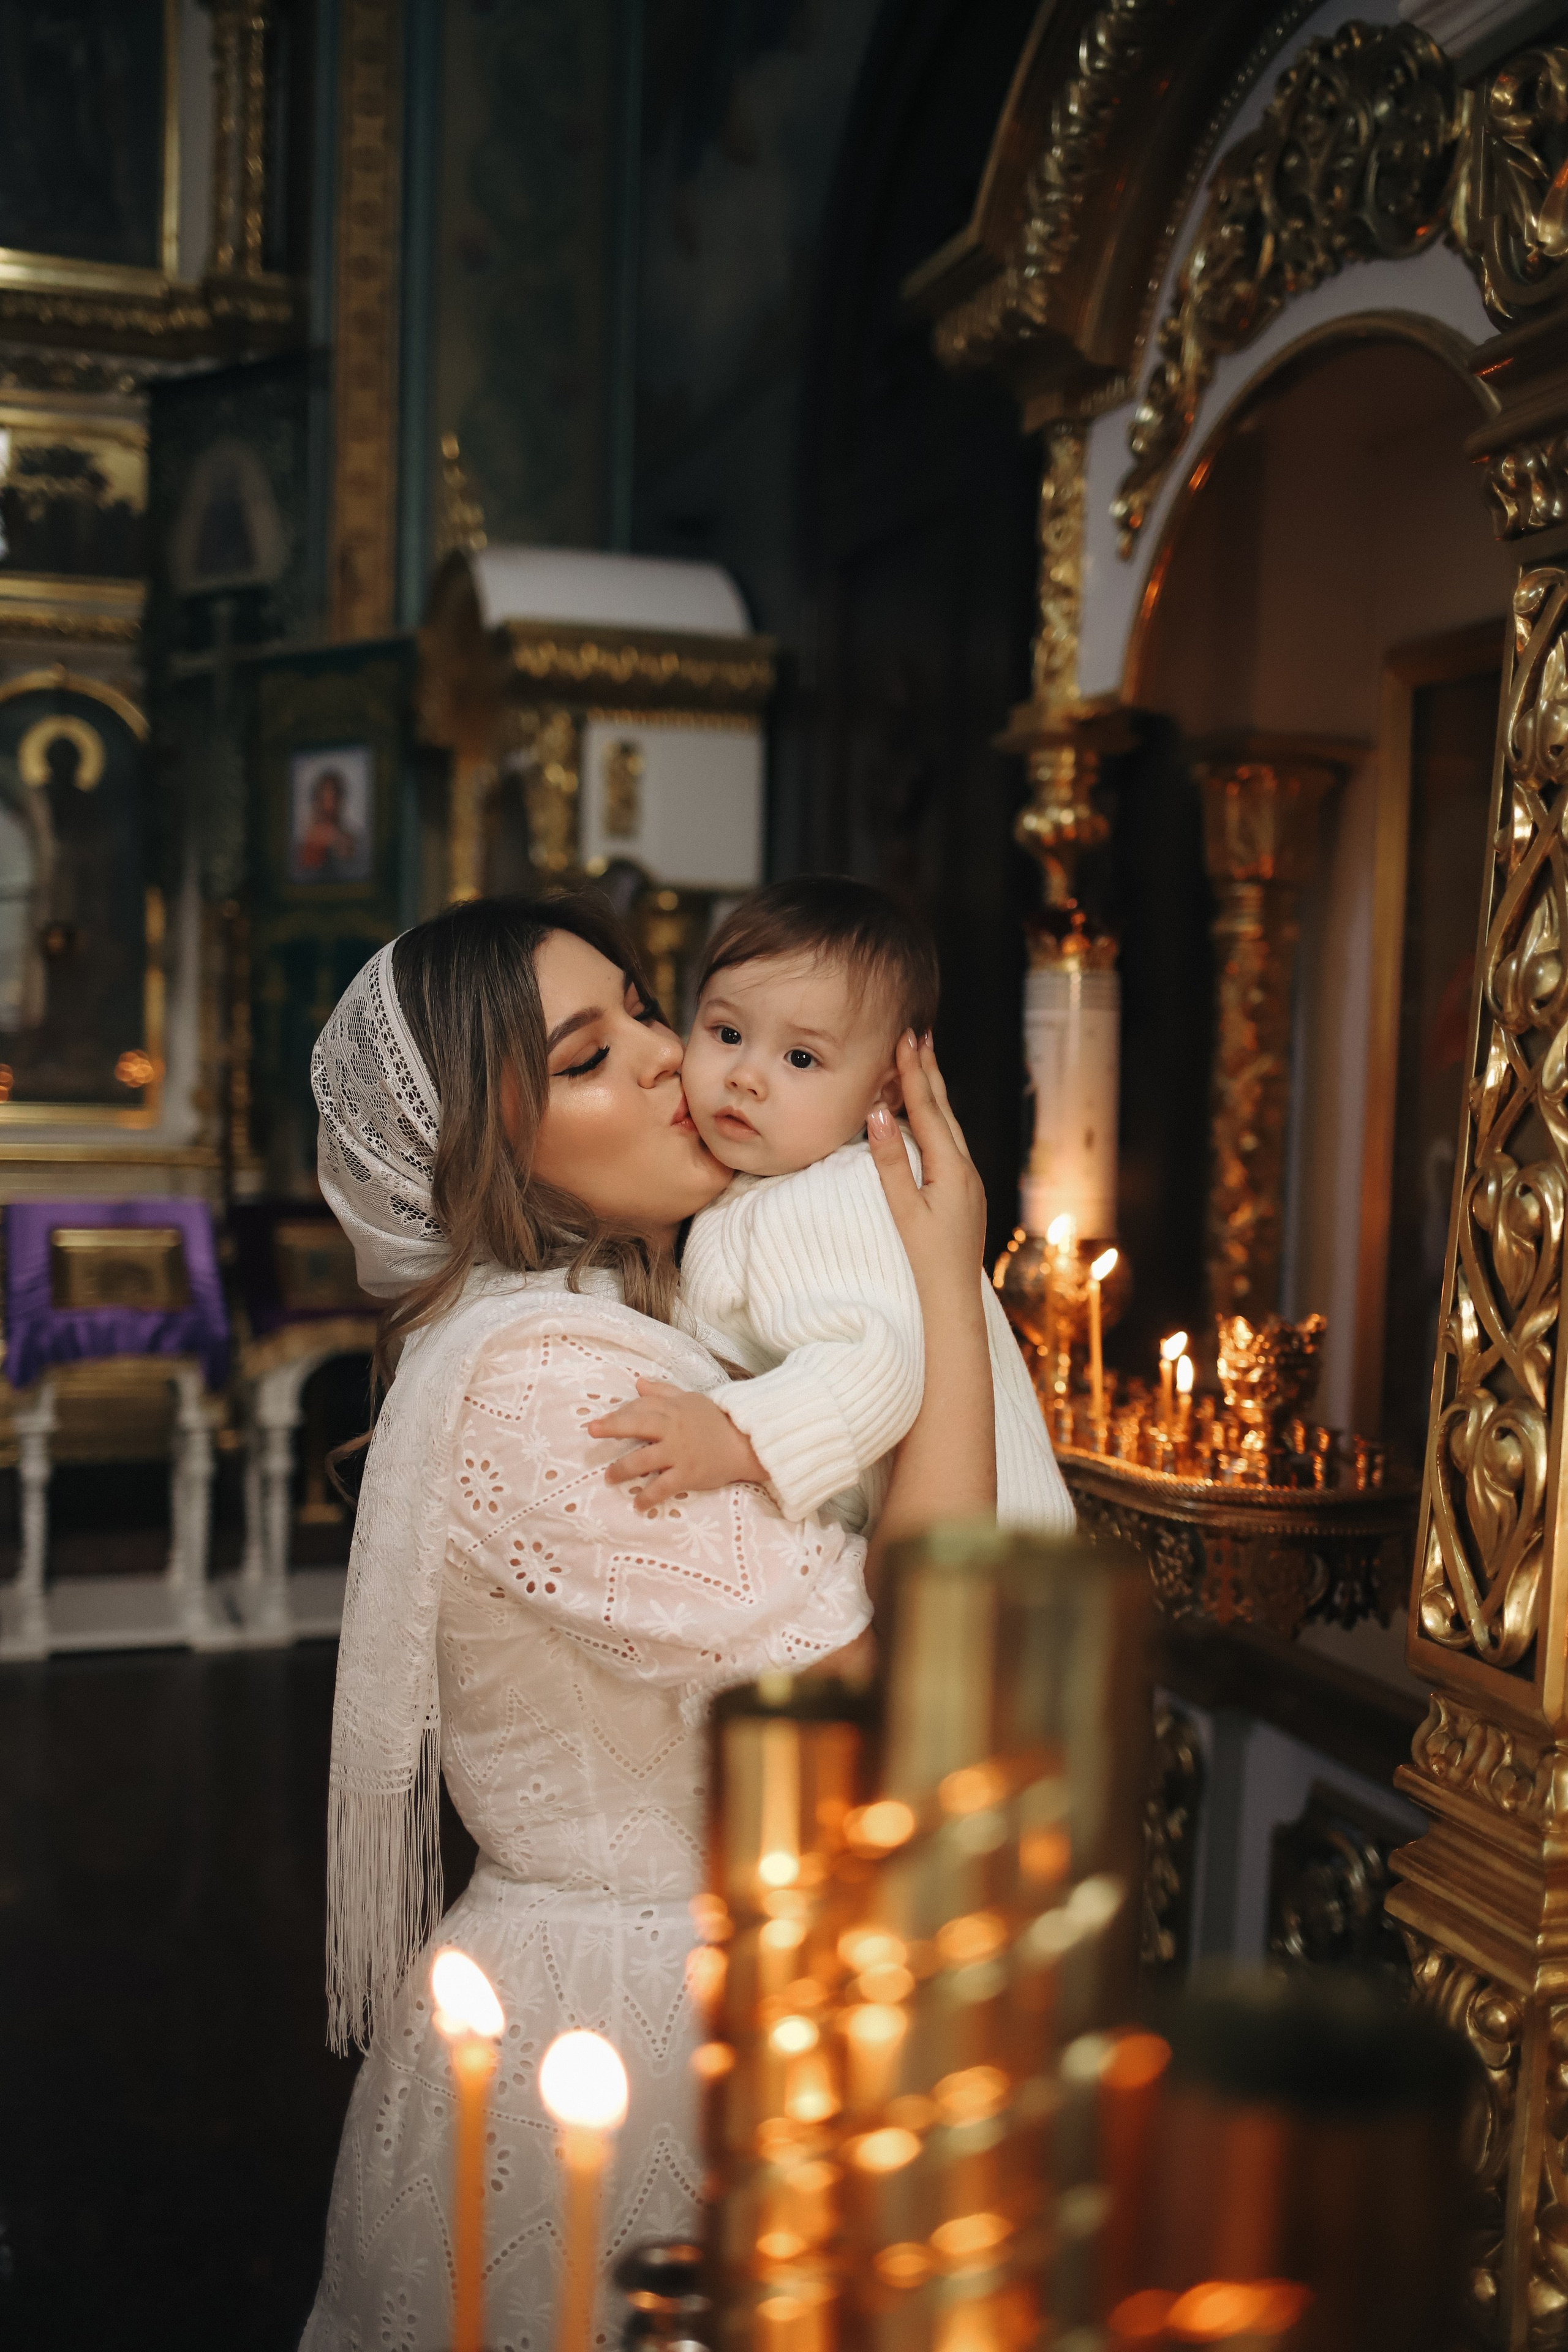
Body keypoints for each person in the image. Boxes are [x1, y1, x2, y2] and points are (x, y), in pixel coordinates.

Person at [298, 892, 997, 2349]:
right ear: (484, 1150)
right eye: (585, 1054)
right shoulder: (540, 1388)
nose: (675, 1059)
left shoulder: (636, 1309)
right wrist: (945, 1266)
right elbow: (905, 1664)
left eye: (644, 1006)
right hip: (610, 2033)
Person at [591, 876, 1074, 1537]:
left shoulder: (833, 1193)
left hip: (980, 1569)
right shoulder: (772, 1176)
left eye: (800, 1057)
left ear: (884, 1095)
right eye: (727, 1032)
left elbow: (873, 1363)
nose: (745, 1075)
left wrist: (737, 1438)